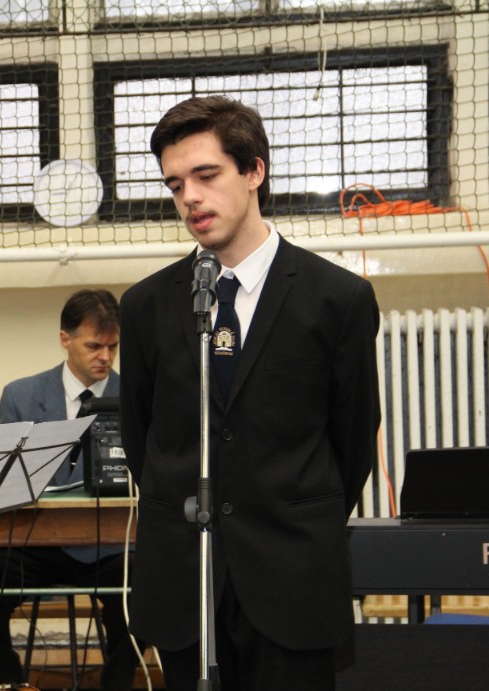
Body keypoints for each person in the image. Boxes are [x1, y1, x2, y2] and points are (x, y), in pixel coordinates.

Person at [118, 95, 381, 690]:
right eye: (175, 184)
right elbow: (143, 441)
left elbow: (352, 443)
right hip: (187, 583)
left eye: (206, 175)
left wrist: (290, 517)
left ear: (254, 170)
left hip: (292, 578)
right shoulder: (145, 306)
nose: (190, 197)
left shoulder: (336, 300)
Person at [0, 288, 142, 691]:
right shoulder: (20, 396)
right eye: (93, 346)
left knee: (144, 590)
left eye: (112, 347)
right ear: (65, 340)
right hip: (35, 544)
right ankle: (10, 683)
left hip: (113, 548)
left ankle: (117, 684)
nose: (105, 357)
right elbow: (3, 483)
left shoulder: (136, 395)